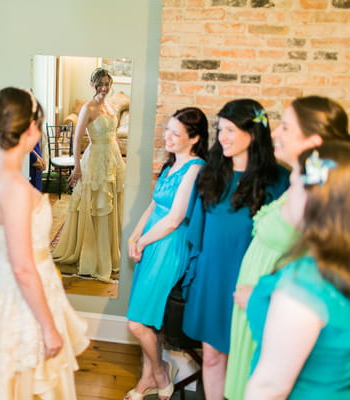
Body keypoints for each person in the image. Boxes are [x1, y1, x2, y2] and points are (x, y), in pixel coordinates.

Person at [0, 87, 89, 400]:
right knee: (29, 380)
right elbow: (23, 266)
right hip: (27, 289)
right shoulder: (15, 188)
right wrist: (48, 327)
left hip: (0, 281)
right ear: (30, 129)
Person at [224, 96, 350, 400]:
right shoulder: (302, 179)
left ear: (314, 141)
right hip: (254, 304)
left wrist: (261, 298)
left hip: (274, 313)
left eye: (286, 126)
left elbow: (322, 273)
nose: (273, 133)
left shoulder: (320, 190)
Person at [245, 142, 350, 399]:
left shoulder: (304, 285)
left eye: (294, 185)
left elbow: (270, 387)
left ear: (313, 197)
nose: (288, 193)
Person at [182, 99, 289, 400]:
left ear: (253, 134)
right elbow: (197, 232)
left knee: (248, 359)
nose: (222, 138)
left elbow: (289, 240)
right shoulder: (210, 174)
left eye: (230, 130)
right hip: (212, 278)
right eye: (220, 130)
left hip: (251, 282)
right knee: (213, 357)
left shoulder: (280, 180)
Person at [124, 108, 209, 400]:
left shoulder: (195, 169)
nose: (167, 137)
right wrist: (133, 237)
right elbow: (153, 205)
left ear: (194, 138)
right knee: (147, 320)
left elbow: (174, 219)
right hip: (151, 240)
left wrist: (143, 242)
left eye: (176, 133)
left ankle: (161, 373)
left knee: (137, 323)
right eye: (167, 130)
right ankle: (148, 377)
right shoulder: (170, 166)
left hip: (169, 246)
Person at [52, 68, 125, 283]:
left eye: (107, 83)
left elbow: (113, 136)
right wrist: (77, 166)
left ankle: (111, 253)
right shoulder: (88, 107)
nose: (104, 87)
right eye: (100, 84)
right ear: (92, 84)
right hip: (95, 159)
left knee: (113, 205)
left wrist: (120, 160)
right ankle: (94, 255)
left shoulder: (110, 106)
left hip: (112, 159)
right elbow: (76, 140)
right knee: (96, 206)